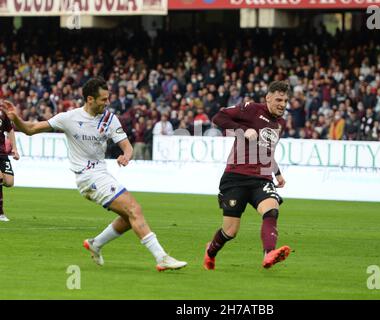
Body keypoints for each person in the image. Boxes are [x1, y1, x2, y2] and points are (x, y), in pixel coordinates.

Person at [0, 77, 187, 271]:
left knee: (128, 217)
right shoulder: (69, 118)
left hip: (102, 173)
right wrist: (17, 120)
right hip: (87, 177)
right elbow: (30, 129)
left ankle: (95, 243)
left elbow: (127, 146)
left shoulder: (109, 119)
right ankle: (161, 257)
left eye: (108, 99)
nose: (107, 103)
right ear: (90, 99)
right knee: (134, 209)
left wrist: (127, 155)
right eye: (103, 99)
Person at [203, 81, 291, 270]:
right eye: (278, 100)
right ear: (268, 98)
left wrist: (277, 173)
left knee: (271, 210)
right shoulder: (251, 109)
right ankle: (210, 251)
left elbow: (267, 151)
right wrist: (242, 131)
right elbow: (218, 117)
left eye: (285, 100)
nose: (282, 104)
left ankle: (269, 254)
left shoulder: (280, 123)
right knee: (230, 231)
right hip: (236, 176)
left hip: (262, 178)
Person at [0, 110, 20, 222]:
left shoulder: (2, 114)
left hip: (2, 153)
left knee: (8, 182)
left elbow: (10, 130)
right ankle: (0, 213)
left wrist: (15, 149)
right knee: (0, 178)